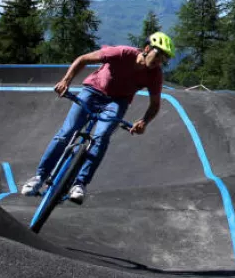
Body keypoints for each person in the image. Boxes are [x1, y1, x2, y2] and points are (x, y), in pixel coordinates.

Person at [20, 32, 174, 204]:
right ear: (147, 49)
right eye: (158, 55)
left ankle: (80, 184)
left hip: (117, 102)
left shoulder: (155, 75)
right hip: (92, 91)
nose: (159, 61)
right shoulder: (122, 53)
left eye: (164, 60)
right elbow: (83, 59)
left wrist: (144, 121)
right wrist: (66, 81)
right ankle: (39, 177)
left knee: (101, 137)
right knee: (67, 132)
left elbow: (155, 104)